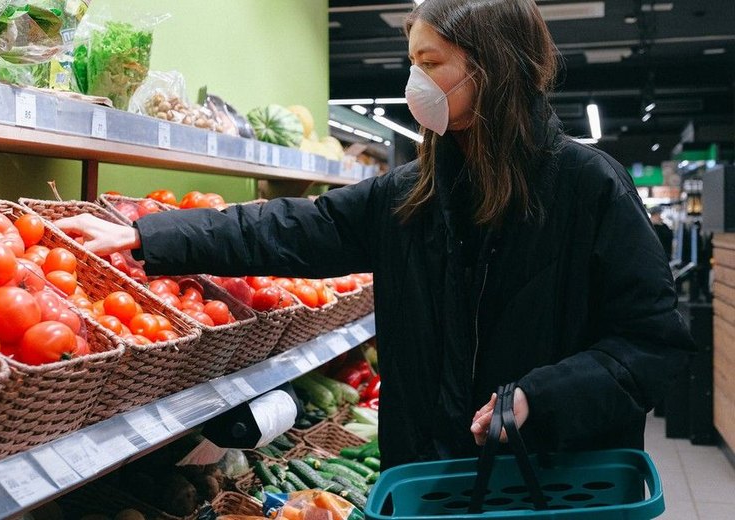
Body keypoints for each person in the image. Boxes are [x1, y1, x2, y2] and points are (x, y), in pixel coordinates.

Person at [56, 0, 693, 469]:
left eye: (430, 62)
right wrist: (148, 237)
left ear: (492, 69)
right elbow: (295, 226)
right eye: (411, 62)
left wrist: (540, 398)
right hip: (429, 479)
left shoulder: (588, 189)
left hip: (551, 483)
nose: (413, 82)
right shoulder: (415, 190)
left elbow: (653, 346)